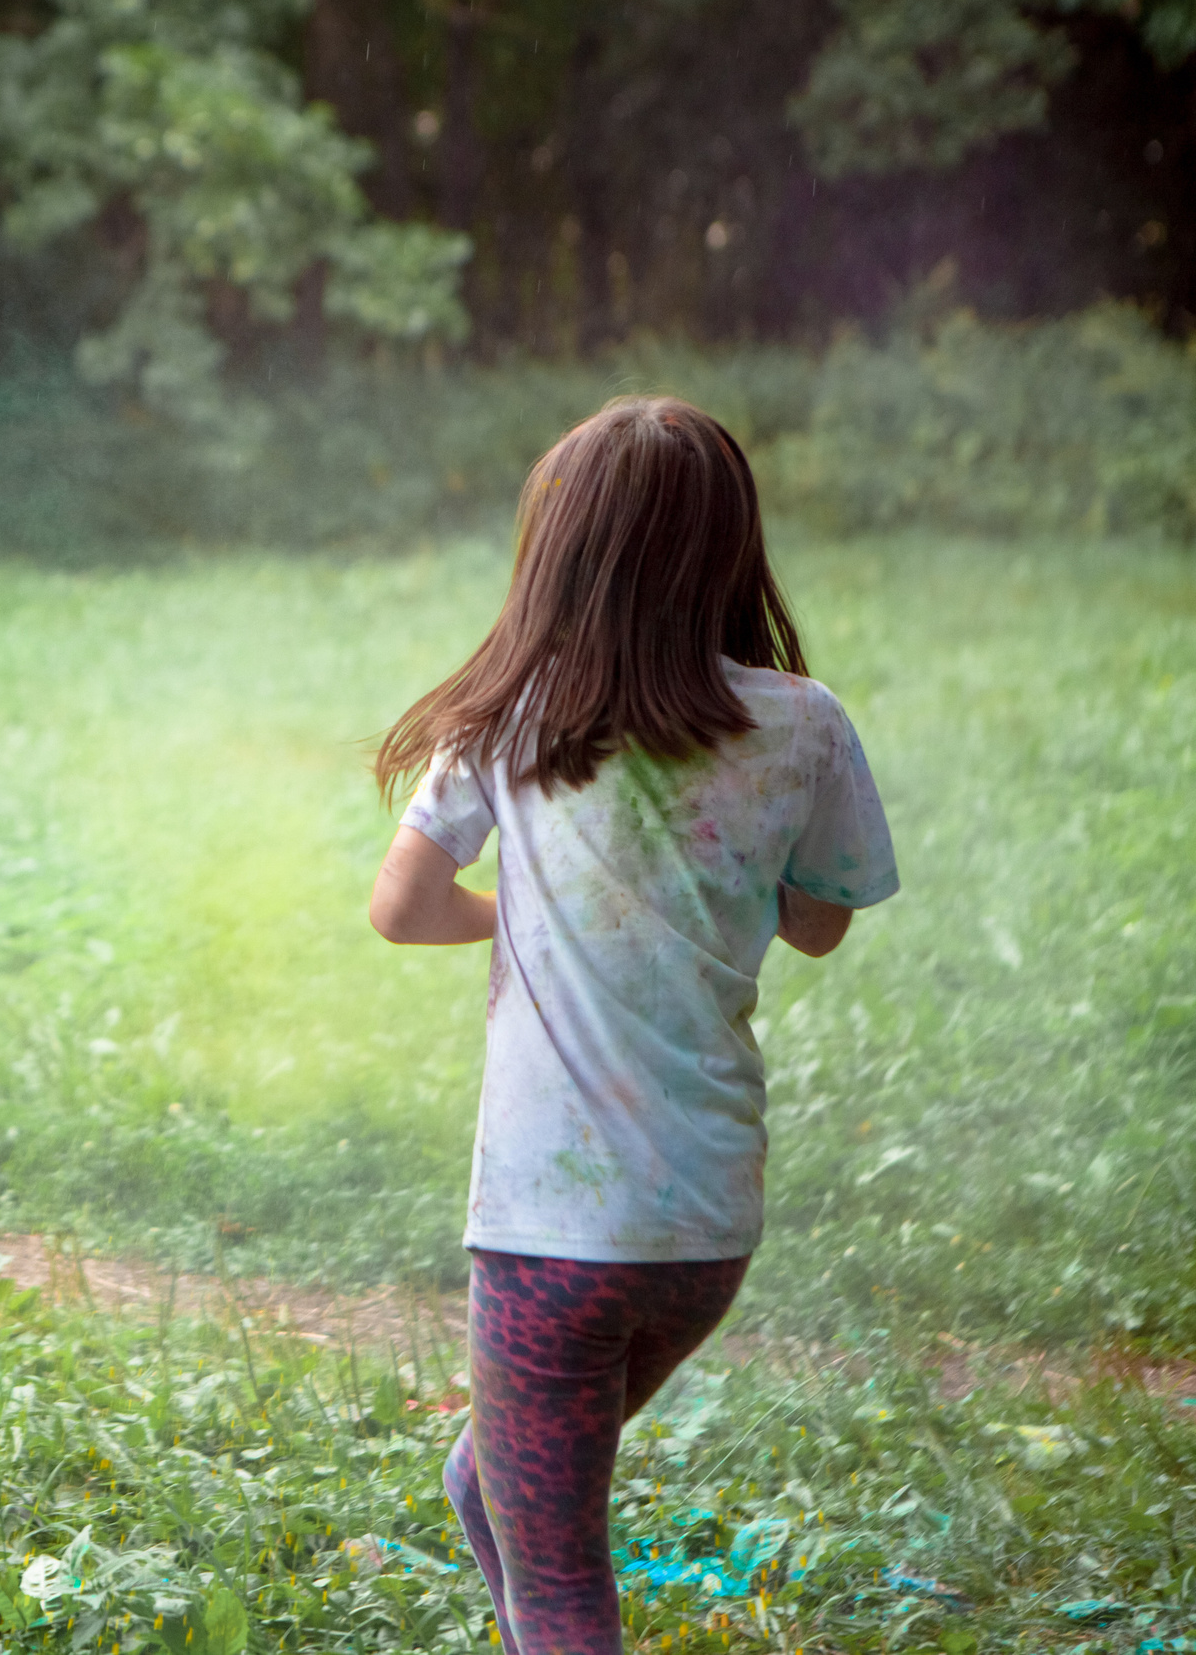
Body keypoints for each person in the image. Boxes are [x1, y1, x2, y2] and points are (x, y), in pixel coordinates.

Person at [365, 397, 897, 1655]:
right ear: (729, 550)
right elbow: (820, 926)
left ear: (559, 552)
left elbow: (400, 907)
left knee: (557, 1589)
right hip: (702, 1236)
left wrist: (543, 917)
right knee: (479, 1487)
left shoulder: (510, 711)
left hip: (552, 1236)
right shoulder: (804, 723)